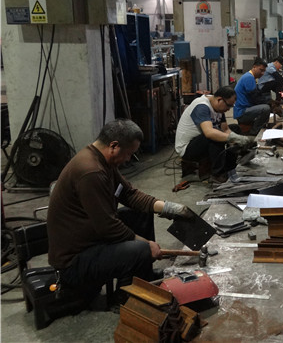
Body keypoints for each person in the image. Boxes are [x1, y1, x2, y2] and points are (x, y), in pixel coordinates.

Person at [47, 119, 194, 300]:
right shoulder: (91, 172)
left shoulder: (103, 161)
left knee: (141, 215)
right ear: (114, 146)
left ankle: (143, 277)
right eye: (129, 153)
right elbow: (108, 227)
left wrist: (169, 208)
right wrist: (147, 245)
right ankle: (125, 297)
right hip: (74, 261)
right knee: (141, 249)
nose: (128, 159)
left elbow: (129, 194)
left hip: (91, 238)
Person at [175, 86, 255, 183]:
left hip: (200, 142)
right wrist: (234, 138)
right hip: (187, 149)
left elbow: (226, 129)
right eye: (228, 106)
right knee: (215, 136)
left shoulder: (218, 107)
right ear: (219, 100)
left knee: (235, 128)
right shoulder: (202, 107)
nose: (228, 109)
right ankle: (217, 174)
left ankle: (230, 166)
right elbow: (209, 133)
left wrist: (238, 139)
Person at [233, 57, 271, 135]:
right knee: (266, 108)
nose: (262, 73)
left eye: (264, 71)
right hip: (242, 112)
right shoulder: (249, 77)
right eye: (261, 70)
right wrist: (270, 104)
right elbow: (255, 97)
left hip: (245, 109)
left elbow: (258, 94)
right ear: (254, 67)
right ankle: (254, 132)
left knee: (266, 101)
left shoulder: (251, 77)